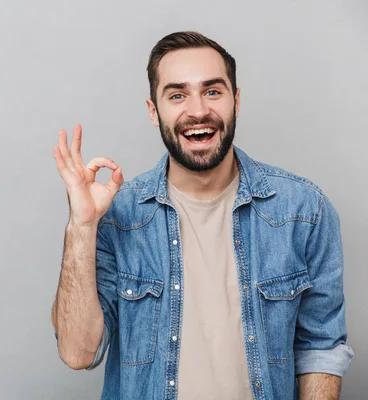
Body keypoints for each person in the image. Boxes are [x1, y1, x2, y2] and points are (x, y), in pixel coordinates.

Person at [50, 31, 354, 400]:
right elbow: (78, 352)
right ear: (153, 111)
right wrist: (82, 226)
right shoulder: (117, 216)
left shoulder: (304, 210)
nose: (197, 110)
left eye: (212, 91)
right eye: (177, 95)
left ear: (236, 101)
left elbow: (321, 350)